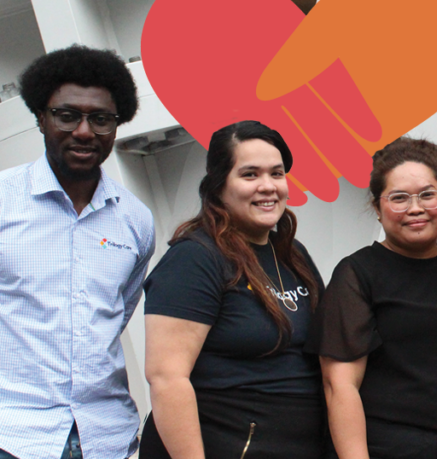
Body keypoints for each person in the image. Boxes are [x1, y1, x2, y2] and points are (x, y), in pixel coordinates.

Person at [0, 45, 155, 458]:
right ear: (40, 118)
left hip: (106, 438)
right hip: (8, 440)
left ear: (117, 124)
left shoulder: (136, 221)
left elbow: (117, 312)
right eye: (67, 115)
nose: (85, 131)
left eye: (101, 119)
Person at [139, 120, 325, 458]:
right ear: (218, 184)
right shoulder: (195, 258)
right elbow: (167, 379)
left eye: (277, 173)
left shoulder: (293, 255)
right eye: (250, 174)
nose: (268, 186)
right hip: (228, 443)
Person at [306, 137, 437, 459]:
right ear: (377, 208)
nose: (416, 209)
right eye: (399, 198)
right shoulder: (358, 274)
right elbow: (339, 386)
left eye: (428, 195)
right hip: (380, 446)